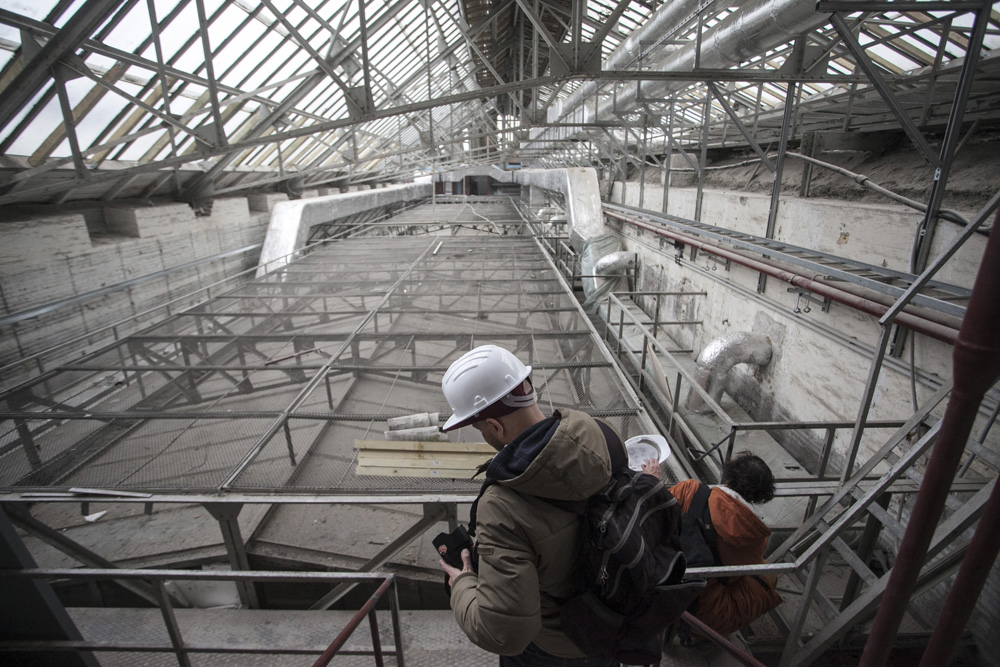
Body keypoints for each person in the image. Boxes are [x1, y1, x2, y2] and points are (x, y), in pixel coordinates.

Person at [437, 344, 621, 667]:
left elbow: (506, 632)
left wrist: (461, 585)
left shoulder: (501, 507)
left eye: (480, 429)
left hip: (552, 648)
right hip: (611, 626)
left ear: (495, 427)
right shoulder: (601, 436)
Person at [641, 450, 782, 637]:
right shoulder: (754, 536)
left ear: (728, 477)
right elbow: (736, 576)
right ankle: (700, 636)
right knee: (768, 575)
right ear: (761, 496)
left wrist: (653, 483)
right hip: (702, 615)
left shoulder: (691, 490)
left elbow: (653, 516)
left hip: (657, 593)